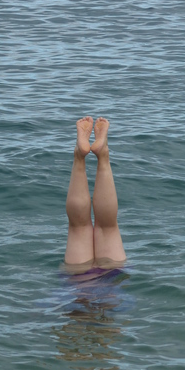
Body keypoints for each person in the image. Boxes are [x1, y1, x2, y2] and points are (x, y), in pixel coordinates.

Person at [64, 116, 126, 274]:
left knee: (82, 227)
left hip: (78, 280)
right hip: (111, 280)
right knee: (104, 227)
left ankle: (81, 156)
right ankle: (100, 154)